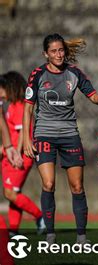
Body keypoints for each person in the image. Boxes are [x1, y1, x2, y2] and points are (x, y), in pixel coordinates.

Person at [23, 33, 98, 245]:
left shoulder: (74, 73)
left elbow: (94, 98)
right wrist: (26, 139)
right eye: (54, 51)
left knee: (77, 187)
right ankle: (49, 235)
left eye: (61, 50)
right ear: (45, 54)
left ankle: (82, 237)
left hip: (69, 135)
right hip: (44, 134)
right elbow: (28, 108)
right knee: (48, 183)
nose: (59, 54)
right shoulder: (37, 74)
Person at [0, 72, 45, 237]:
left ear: (9, 87)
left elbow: (21, 134)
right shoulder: (11, 106)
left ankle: (40, 216)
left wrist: (17, 154)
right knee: (13, 193)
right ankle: (13, 229)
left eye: (1, 89)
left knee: (10, 193)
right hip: (10, 155)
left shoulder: (20, 106)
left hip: (18, 156)